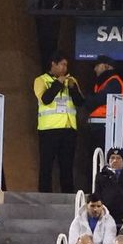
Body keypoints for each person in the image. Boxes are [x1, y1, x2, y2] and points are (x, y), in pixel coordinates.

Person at [35, 53, 84, 193]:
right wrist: (58, 83)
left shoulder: (71, 80)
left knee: (67, 165)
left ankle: (68, 194)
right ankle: (44, 194)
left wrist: (73, 88)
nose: (65, 68)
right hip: (49, 129)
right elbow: (46, 99)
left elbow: (80, 102)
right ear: (53, 64)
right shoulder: (41, 80)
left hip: (68, 128)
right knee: (47, 164)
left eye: (66, 65)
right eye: (62, 64)